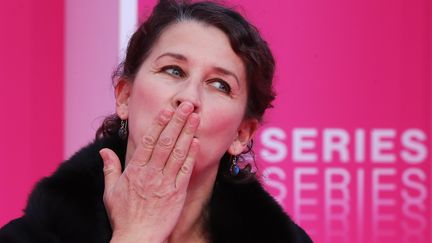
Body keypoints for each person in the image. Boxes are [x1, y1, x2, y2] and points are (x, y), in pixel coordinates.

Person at [0, 0, 312, 242]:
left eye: (219, 85)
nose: (189, 98)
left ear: (242, 134)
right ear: (124, 96)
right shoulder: (32, 236)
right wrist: (136, 236)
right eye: (173, 70)